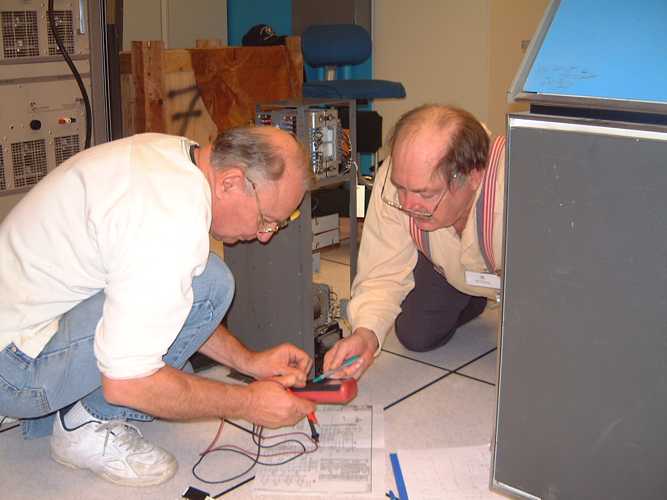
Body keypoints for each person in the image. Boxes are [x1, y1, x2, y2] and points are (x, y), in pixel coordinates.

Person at [0, 126, 317, 486]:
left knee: (208, 282)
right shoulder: (170, 222)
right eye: (266, 219)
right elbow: (128, 382)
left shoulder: (175, 157)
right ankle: (85, 428)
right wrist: (248, 403)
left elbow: (166, 301)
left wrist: (248, 362)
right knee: (192, 316)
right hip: (12, 374)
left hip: (20, 328)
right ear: (230, 182)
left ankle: (56, 403)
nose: (264, 236)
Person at [323, 104, 506, 379]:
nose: (408, 205)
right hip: (446, 265)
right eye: (402, 189)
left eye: (425, 194)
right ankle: (471, 296)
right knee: (416, 334)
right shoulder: (398, 177)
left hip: (520, 284)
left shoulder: (513, 188)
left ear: (473, 177)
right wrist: (365, 334)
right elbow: (382, 272)